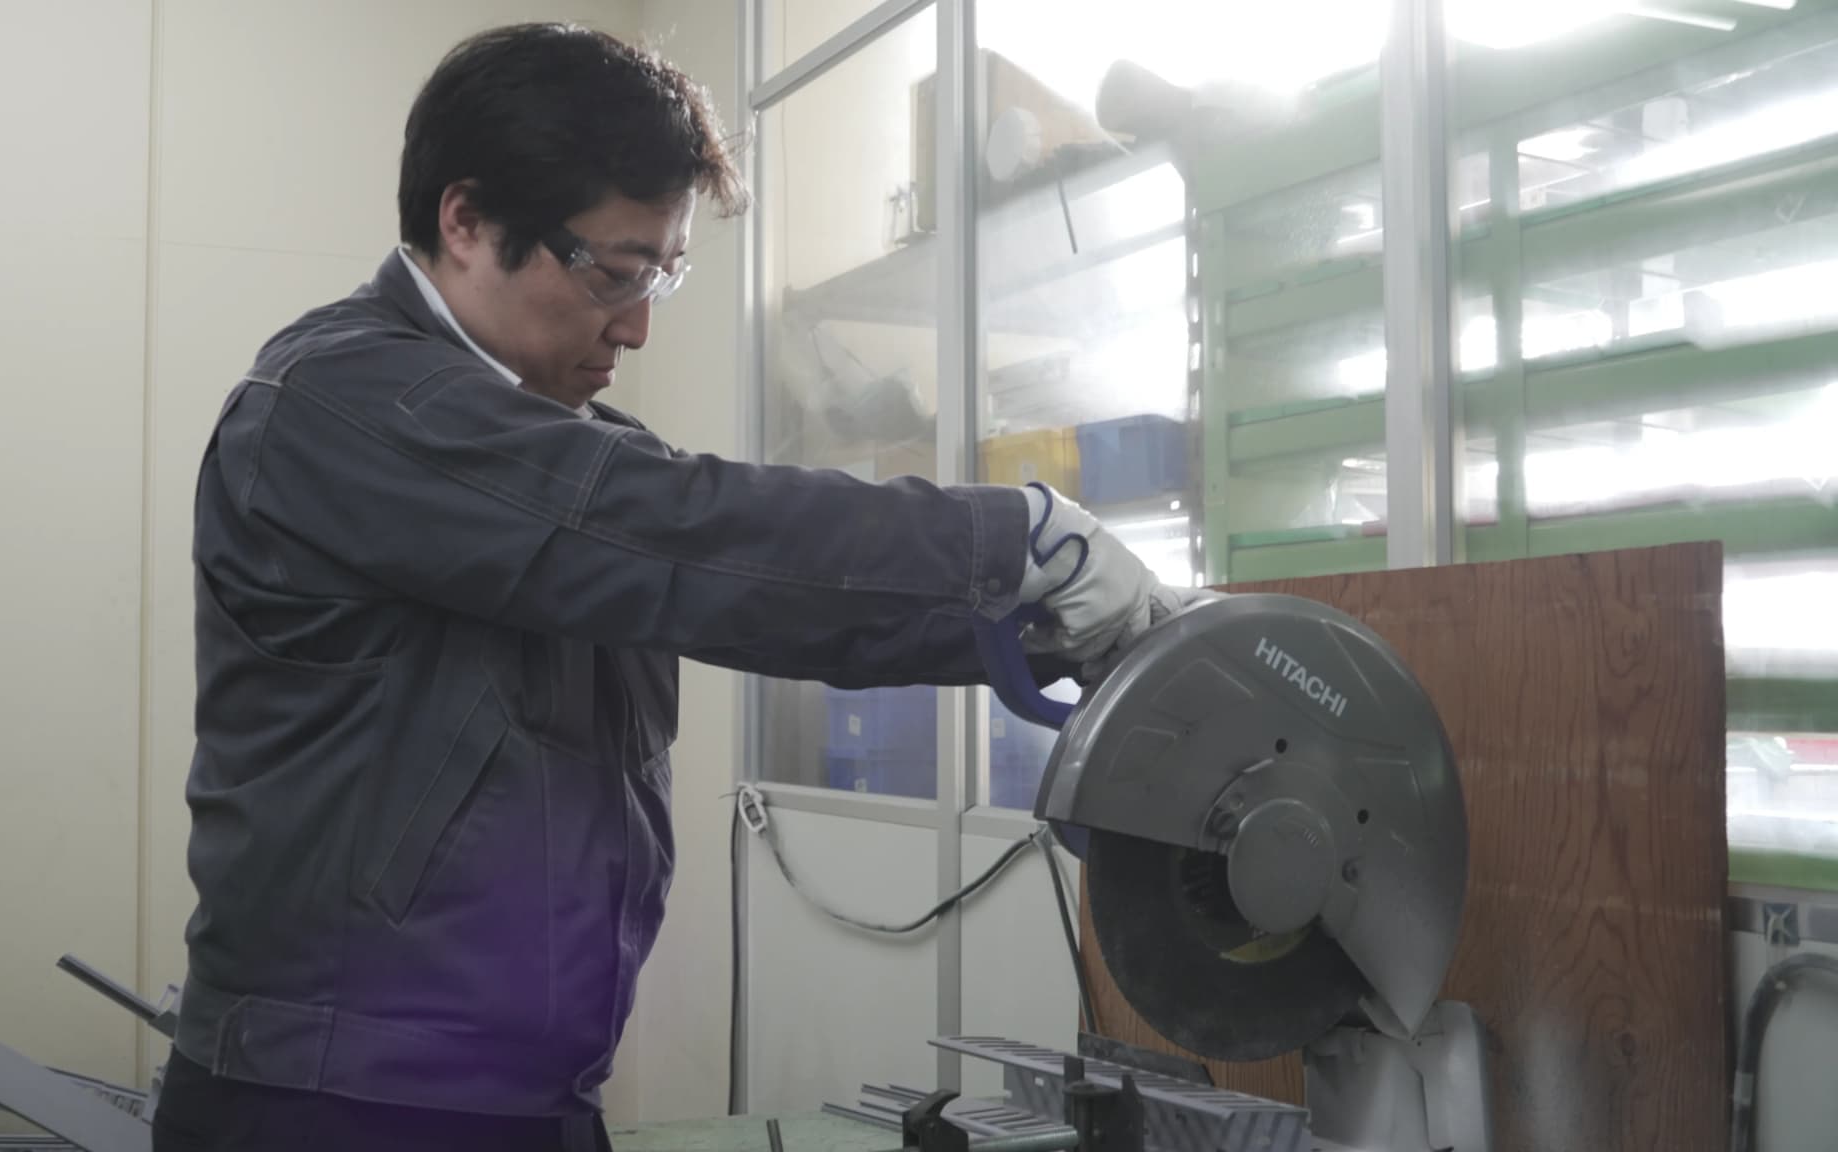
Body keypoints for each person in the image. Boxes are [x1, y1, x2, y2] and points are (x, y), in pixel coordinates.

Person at [150, 22, 1193, 1152]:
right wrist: (1017, 540)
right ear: (466, 221)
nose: (639, 325)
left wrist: (1069, 627)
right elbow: (684, 531)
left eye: (663, 273)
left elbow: (764, 597)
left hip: (518, 1096)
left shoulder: (562, 448)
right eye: (614, 271)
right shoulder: (341, 404)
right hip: (335, 1103)